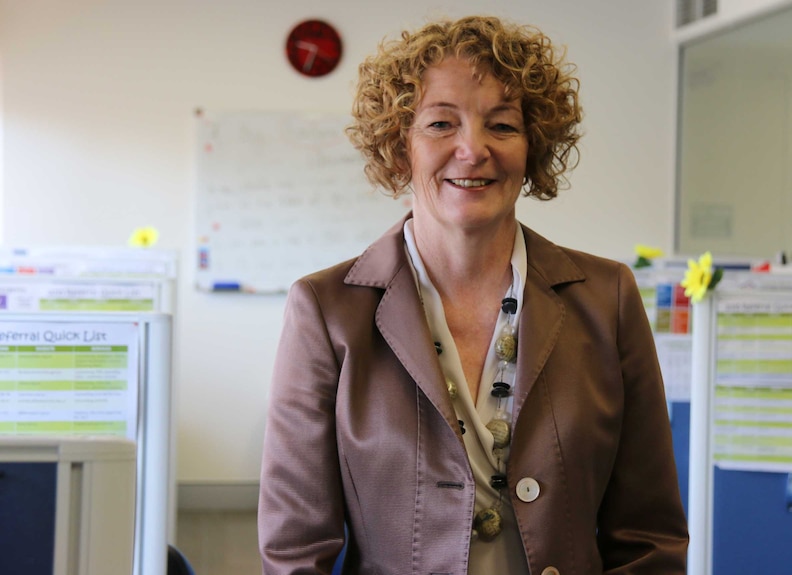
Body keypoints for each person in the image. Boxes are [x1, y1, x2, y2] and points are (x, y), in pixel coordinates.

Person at [258, 15, 688, 575]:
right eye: (441, 124)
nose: (473, 149)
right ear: (399, 146)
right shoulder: (327, 310)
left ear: (533, 147)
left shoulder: (608, 299)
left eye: (502, 126)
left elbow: (650, 536)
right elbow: (295, 550)